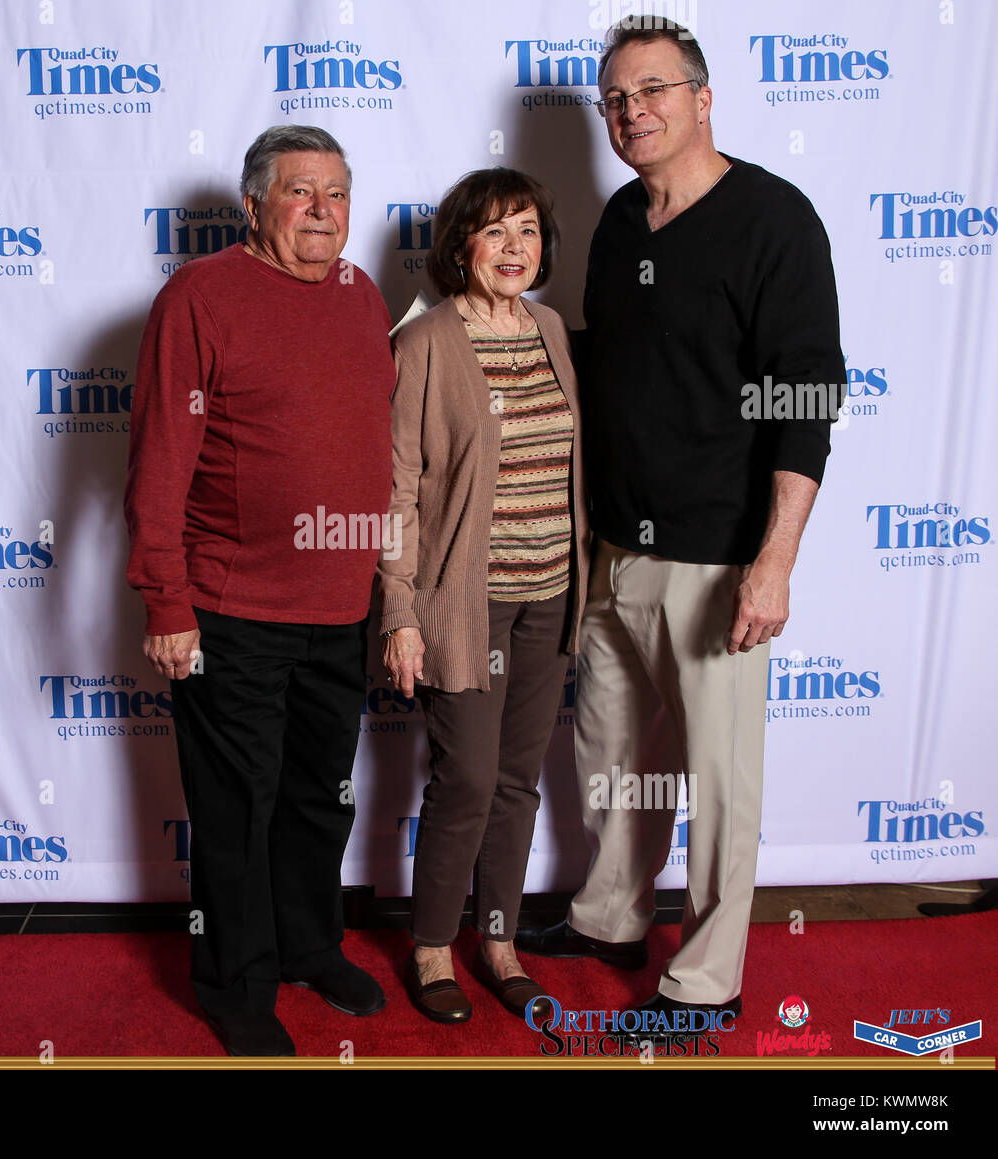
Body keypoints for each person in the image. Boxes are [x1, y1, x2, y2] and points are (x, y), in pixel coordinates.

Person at [515, 19, 844, 1020]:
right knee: (612, 760)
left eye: (652, 90)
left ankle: (705, 981)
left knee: (717, 780)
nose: (631, 112)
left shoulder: (773, 220)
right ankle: (609, 913)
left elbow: (805, 397)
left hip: (719, 555)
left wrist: (774, 559)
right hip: (614, 546)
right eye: (614, 98)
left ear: (703, 98)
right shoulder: (619, 223)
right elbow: (616, 361)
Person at [123, 125, 395, 1056]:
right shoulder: (199, 297)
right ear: (252, 205)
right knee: (237, 809)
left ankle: (309, 946)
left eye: (337, 193)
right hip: (231, 610)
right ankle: (236, 986)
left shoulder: (364, 298)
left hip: (339, 605)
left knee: (321, 797)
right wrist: (166, 599)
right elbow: (160, 459)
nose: (323, 211)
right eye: (299, 192)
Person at [380, 168, 590, 1023]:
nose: (515, 248)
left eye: (529, 231)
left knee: (516, 780)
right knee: (465, 779)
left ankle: (497, 941)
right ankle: (433, 945)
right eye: (496, 231)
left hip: (550, 597)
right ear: (461, 244)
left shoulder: (547, 328)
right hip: (464, 603)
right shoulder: (425, 341)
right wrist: (398, 612)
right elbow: (395, 488)